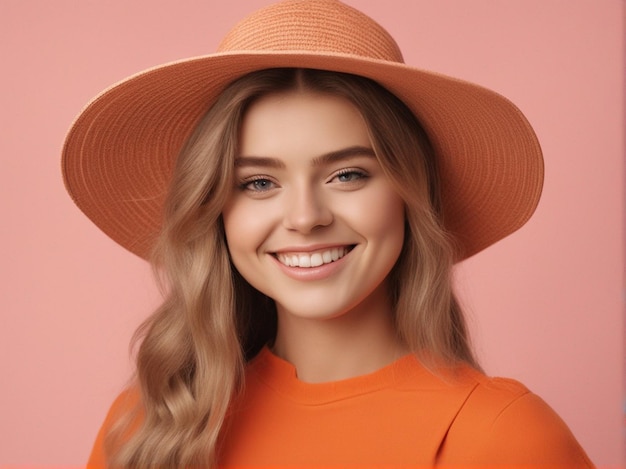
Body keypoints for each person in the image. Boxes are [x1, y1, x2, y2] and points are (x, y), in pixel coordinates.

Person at [62, 0, 594, 467]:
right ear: (215, 210)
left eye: (347, 174)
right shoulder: (148, 429)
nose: (304, 216)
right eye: (259, 182)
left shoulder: (502, 437)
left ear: (410, 194)